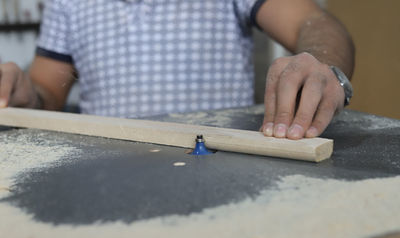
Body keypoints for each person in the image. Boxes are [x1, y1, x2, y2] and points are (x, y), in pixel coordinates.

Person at [0, 0, 354, 140]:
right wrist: (22, 94)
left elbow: (314, 22)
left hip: (225, 168)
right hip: (103, 174)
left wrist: (320, 61)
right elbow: (45, 94)